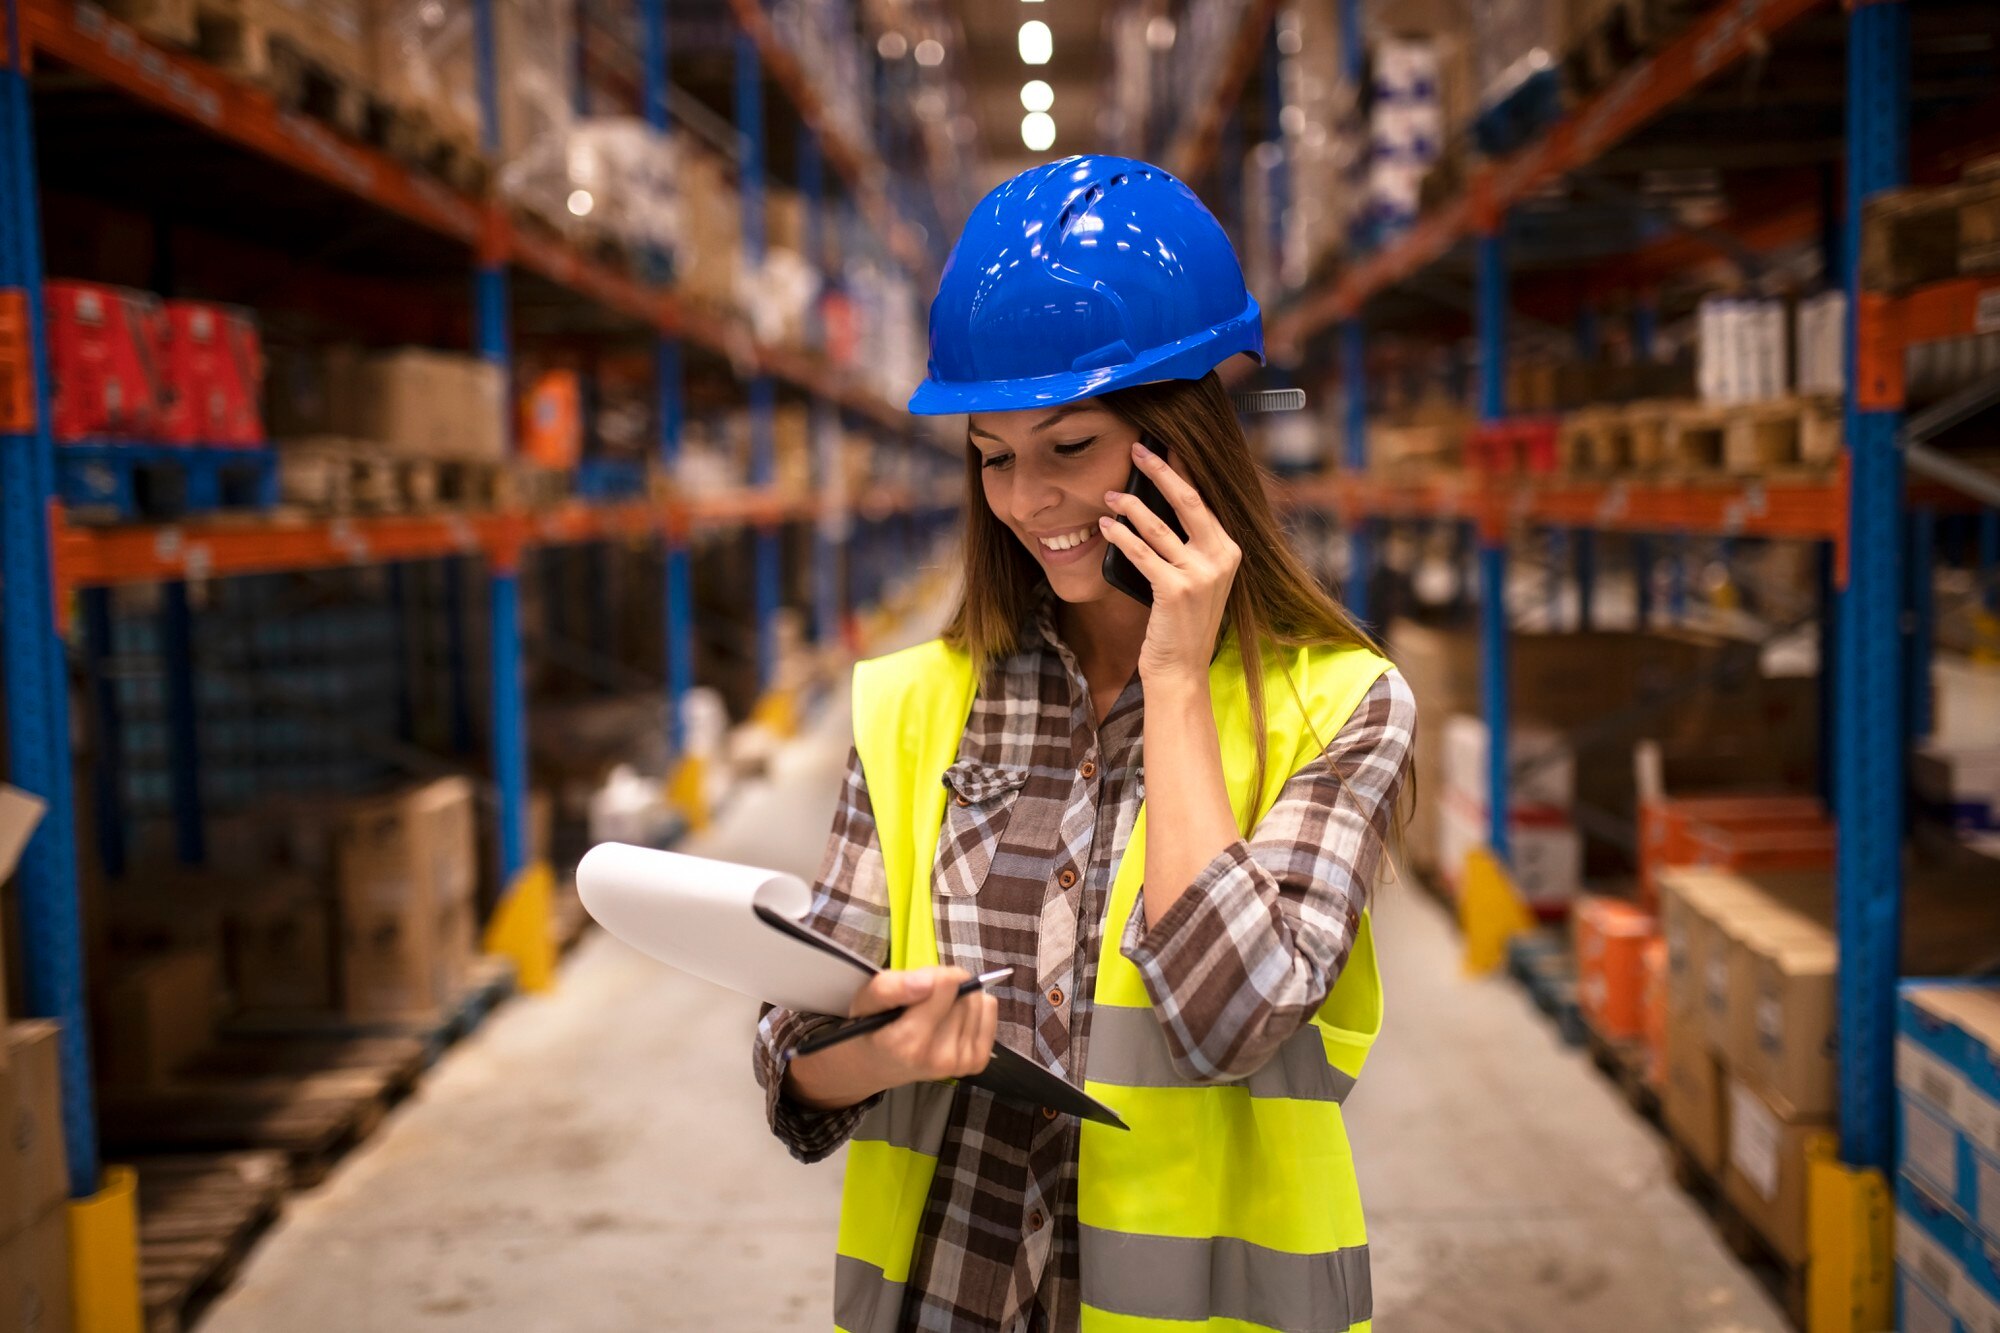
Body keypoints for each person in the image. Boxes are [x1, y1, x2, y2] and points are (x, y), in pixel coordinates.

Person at [753, 155, 1415, 1333]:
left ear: (1183, 444)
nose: (1026, 502)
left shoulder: (1341, 704)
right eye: (994, 457)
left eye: (1072, 449)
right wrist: (880, 1052)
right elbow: (794, 1055)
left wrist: (1170, 675)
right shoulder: (917, 702)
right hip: (949, 1294)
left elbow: (1230, 1018)